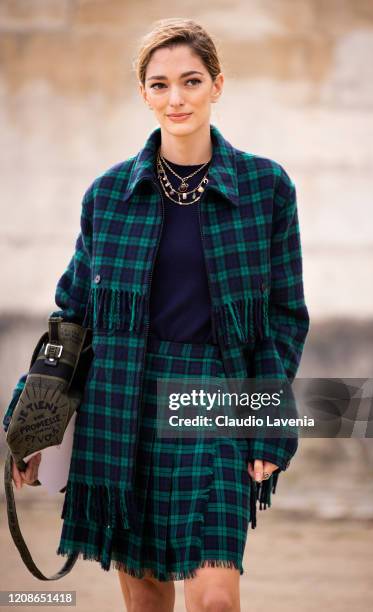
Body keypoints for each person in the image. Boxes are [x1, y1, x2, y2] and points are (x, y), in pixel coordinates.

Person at [6, 17, 309, 612]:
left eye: (191, 81)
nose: (176, 98)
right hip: (123, 404)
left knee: (215, 599)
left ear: (217, 85)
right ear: (143, 93)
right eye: (160, 84)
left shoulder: (266, 187)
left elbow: (285, 316)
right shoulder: (109, 195)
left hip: (217, 395)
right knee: (147, 604)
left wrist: (269, 415)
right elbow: (73, 312)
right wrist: (31, 413)